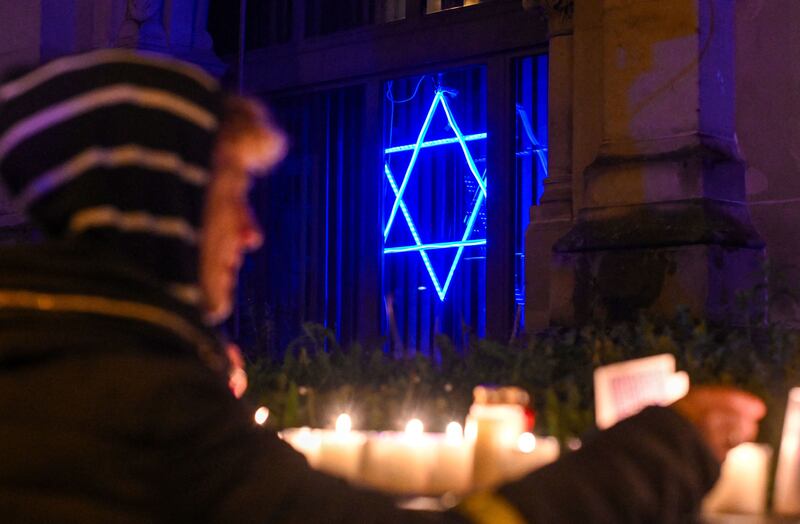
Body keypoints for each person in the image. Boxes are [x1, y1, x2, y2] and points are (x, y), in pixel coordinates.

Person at [0, 49, 765, 523]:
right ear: (160, 204)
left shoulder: (66, 355)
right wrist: (672, 446)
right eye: (230, 191)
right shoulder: (144, 405)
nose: (253, 230)